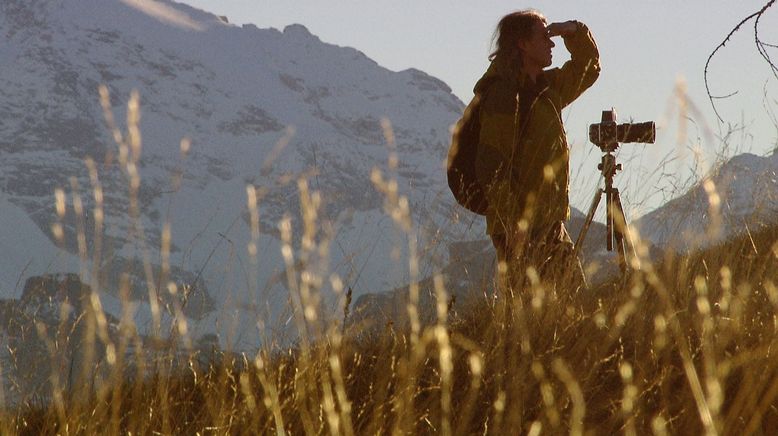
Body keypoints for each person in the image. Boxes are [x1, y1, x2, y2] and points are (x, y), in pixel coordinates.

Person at [474, 10, 600, 292]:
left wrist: (573, 31)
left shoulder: (546, 89)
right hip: (521, 226)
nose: (551, 43)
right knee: (526, 318)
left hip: (550, 223)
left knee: (571, 307)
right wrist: (514, 225)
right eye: (544, 37)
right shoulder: (503, 94)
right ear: (522, 44)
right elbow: (491, 164)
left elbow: (588, 68)